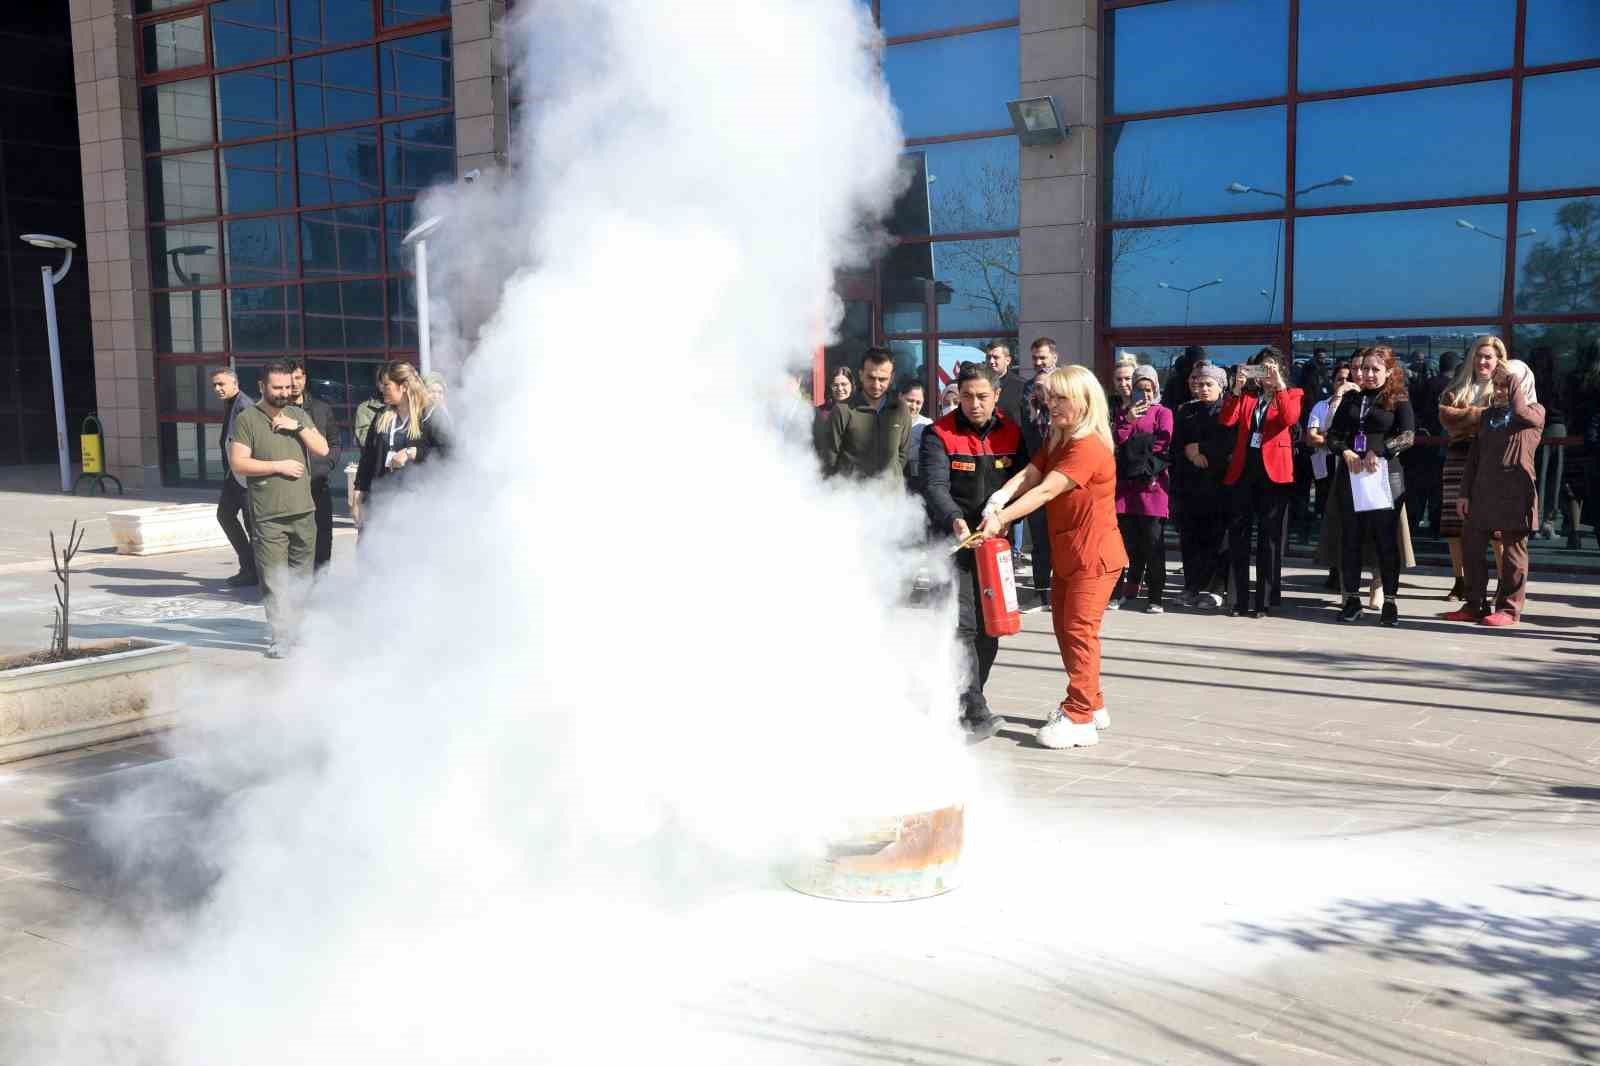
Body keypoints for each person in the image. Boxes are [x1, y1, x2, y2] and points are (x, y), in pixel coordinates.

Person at [977, 366, 1127, 750]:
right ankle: (1091, 703)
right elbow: (1031, 473)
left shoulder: (1088, 444)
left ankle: (1078, 715)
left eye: (1061, 398)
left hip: (1093, 556)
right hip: (1069, 553)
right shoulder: (1060, 437)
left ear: (1084, 401)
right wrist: (1000, 496)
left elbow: (1046, 491)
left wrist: (1002, 519)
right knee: (1067, 631)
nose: (1052, 405)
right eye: (1051, 397)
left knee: (1079, 632)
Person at [920, 362, 1031, 740]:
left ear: (997, 396)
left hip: (994, 545)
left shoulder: (1013, 434)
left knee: (991, 627)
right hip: (954, 543)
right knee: (963, 624)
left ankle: (971, 697)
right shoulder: (939, 433)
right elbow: (934, 485)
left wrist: (1003, 518)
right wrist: (954, 518)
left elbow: (1024, 482)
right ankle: (972, 709)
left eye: (982, 396)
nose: (974, 404)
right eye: (966, 396)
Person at [228, 360, 331, 658]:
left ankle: (298, 631)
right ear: (262, 386)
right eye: (278, 387)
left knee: (301, 577)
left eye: (288, 387)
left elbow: (322, 449)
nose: (284, 392)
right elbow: (239, 463)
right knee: (275, 578)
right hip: (269, 515)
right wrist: (277, 466)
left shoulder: (298, 414)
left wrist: (297, 427)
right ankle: (280, 636)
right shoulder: (248, 419)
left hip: (303, 511)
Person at [1446, 360, 1545, 626]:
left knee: (1513, 553)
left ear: (1521, 384)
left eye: (1507, 384)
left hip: (1515, 492)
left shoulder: (1535, 411)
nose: (1501, 390)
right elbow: (1474, 458)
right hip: (1482, 491)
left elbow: (1522, 414)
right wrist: (1464, 493)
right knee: (1472, 546)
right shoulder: (1489, 416)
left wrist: (1513, 384)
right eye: (1498, 385)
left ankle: (1510, 609)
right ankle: (1475, 603)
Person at [1326, 345, 1415, 626]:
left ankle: (1389, 601)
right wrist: (1347, 452)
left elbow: (1408, 436)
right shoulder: (1353, 397)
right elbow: (1333, 437)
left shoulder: (1397, 397)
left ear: (1389, 371)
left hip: (1385, 476)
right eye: (1363, 368)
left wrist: (1382, 451)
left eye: (1375, 369)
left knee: (1385, 540)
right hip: (1352, 475)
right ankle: (1352, 600)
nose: (1367, 374)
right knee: (1350, 538)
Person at [1219, 347, 1302, 617]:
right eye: (1261, 368)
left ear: (1279, 369)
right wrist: (1236, 388)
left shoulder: (1291, 393)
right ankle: (1239, 599)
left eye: (1271, 368)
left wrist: (1278, 386)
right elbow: (1227, 420)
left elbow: (1289, 418)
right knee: (1239, 536)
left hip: (1274, 474)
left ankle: (1263, 601)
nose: (1265, 373)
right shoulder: (1247, 397)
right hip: (1245, 470)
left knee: (1269, 539)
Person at [1438, 337, 1505, 598]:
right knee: (1454, 525)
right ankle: (1460, 581)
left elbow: (1503, 423)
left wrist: (1468, 417)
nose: (1483, 361)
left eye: (1488, 356)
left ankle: (1502, 582)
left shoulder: (1503, 389)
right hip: (1458, 458)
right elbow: (1448, 420)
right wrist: (1484, 418)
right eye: (1478, 355)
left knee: (1497, 527)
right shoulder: (1457, 388)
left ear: (1499, 359)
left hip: (1493, 461)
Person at [353, 360, 452, 527]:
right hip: (380, 502)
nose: (382, 389)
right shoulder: (381, 416)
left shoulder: (432, 416)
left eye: (387, 385)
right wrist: (358, 497)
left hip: (418, 506)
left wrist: (413, 453)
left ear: (404, 386)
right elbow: (367, 459)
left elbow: (450, 455)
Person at [1171, 362, 1233, 608]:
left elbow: (1229, 443)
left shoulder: (1228, 409)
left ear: (1221, 386)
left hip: (1219, 484)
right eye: (1199, 384)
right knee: (1191, 539)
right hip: (1191, 484)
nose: (1203, 389)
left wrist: (1202, 450)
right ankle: (1192, 585)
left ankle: (1216, 588)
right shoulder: (1187, 411)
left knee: (1217, 539)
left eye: (1209, 384)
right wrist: (1190, 453)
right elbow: (1177, 444)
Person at [1111, 364, 1172, 612]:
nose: (1144, 395)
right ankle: (1120, 591)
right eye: (1139, 389)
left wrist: (1131, 449)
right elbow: (1116, 440)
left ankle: (1155, 596)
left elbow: (1164, 442)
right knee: (1123, 543)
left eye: (1149, 389)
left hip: (1152, 488)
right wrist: (1130, 422)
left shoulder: (1163, 412)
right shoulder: (1123, 413)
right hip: (1125, 489)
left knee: (1153, 543)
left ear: (1156, 388)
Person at [821, 348, 912, 483]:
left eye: (882, 379)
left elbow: (902, 455)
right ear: (861, 374)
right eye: (871, 377)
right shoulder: (842, 411)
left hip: (891, 499)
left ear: (892, 378)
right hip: (852, 497)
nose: (876, 385)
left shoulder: (901, 409)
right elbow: (829, 458)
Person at [287, 359, 338, 573]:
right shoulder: (280, 411)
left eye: (298, 378)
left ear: (305, 378)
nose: (294, 383)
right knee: (294, 535)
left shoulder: (321, 408)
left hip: (318, 483)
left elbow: (334, 442)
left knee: (322, 533)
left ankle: (321, 579)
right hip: (290, 484)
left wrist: (327, 464)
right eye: (290, 380)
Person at [1306, 361, 1353, 589]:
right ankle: (1334, 569)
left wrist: (1330, 439)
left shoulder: (1359, 407)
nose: (1343, 384)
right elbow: (1311, 437)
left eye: (1348, 379)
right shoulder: (1321, 406)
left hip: (1352, 467)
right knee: (1330, 518)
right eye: (1339, 380)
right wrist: (1333, 441)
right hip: (1326, 468)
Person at [211, 368, 257, 588]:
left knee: (252, 525)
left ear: (235, 384)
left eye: (221, 384)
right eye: (214, 385)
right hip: (234, 475)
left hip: (246, 477)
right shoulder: (233, 404)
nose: (217, 389)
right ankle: (249, 566)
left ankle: (254, 570)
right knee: (225, 515)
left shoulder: (244, 406)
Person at [1565, 342, 1600, 550]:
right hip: (1589, 437)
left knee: (1574, 486)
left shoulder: (1575, 378)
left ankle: (1575, 532)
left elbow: (1567, 403)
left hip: (1576, 434)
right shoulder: (1584, 380)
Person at [986, 340, 1031, 430]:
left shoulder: (1022, 386)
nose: (991, 361)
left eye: (995, 357)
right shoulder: (980, 385)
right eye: (988, 357)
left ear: (1008, 360)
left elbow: (1027, 419)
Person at [900, 381, 934, 490]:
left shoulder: (927, 425)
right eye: (910, 401)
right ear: (900, 396)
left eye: (918, 402)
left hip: (918, 483)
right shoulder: (888, 421)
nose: (914, 406)